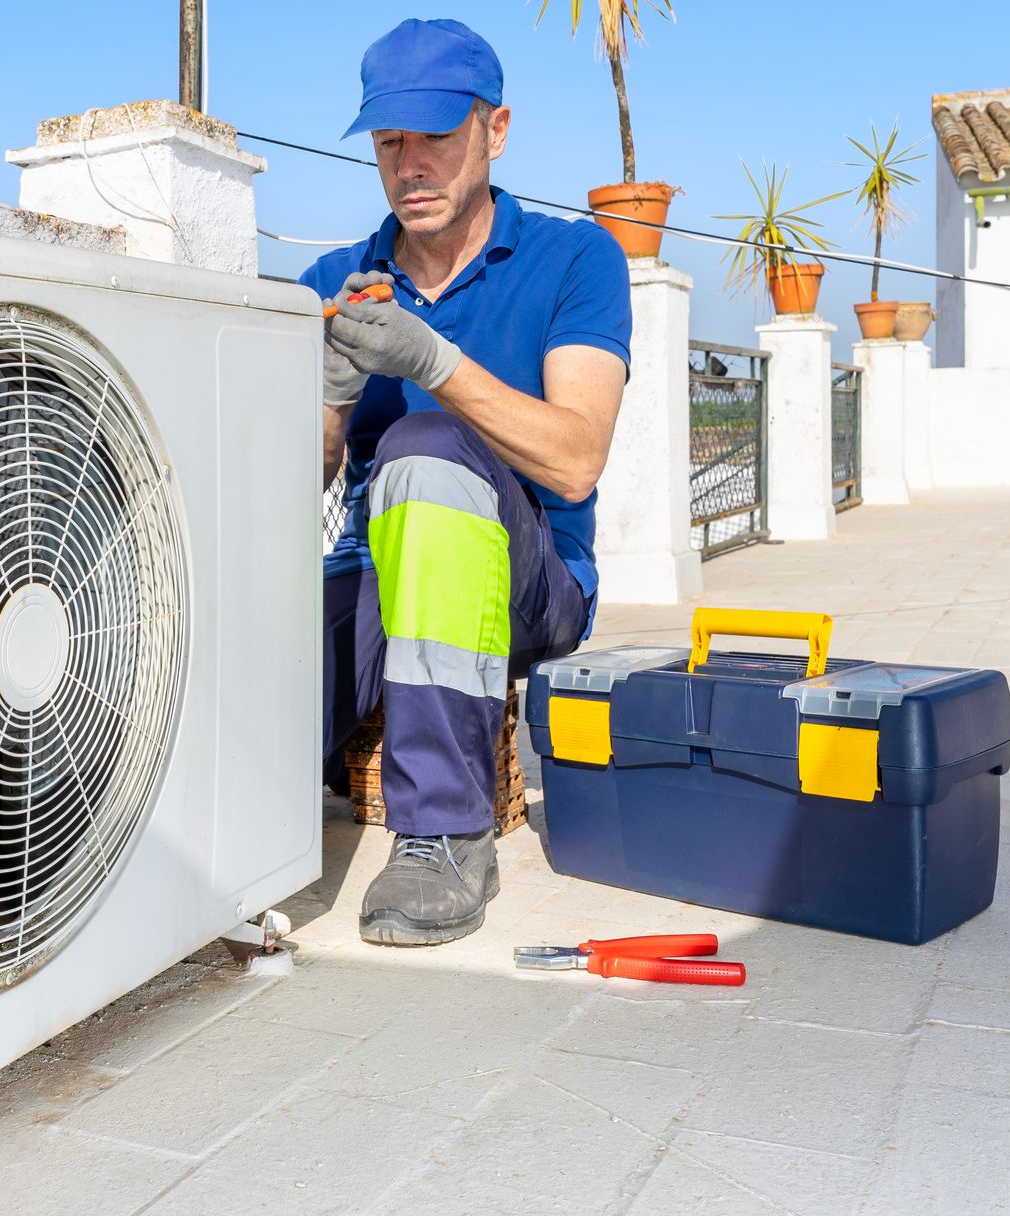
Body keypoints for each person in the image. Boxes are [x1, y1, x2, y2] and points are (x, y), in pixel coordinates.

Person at [303, 18, 632, 947]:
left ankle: (444, 833)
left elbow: (576, 457)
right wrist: (328, 401)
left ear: (496, 130)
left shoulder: (576, 259)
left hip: (537, 584)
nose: (411, 164)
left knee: (424, 443)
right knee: (245, 674)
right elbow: (299, 481)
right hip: (374, 571)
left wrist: (434, 360)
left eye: (437, 137)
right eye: (390, 142)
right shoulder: (336, 279)